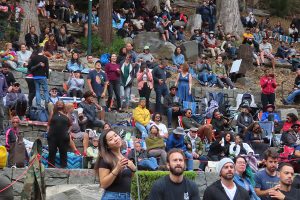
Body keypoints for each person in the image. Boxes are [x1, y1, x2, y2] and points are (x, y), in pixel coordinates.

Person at [96, 129, 136, 200]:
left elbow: (129, 179)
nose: (115, 139)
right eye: (111, 139)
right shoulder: (105, 160)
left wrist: (133, 169)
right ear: (107, 146)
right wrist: (117, 169)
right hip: (113, 197)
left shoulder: (125, 157)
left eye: (115, 135)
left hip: (127, 196)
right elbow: (103, 184)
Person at [47, 101, 71, 168]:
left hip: (63, 136)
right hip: (52, 136)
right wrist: (48, 132)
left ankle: (63, 167)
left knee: (63, 152)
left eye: (61, 103)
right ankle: (51, 167)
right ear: (56, 105)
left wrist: (68, 132)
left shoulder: (66, 113)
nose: (59, 104)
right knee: (52, 151)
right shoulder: (53, 113)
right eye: (58, 103)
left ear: (63, 105)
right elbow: (48, 124)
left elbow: (70, 125)